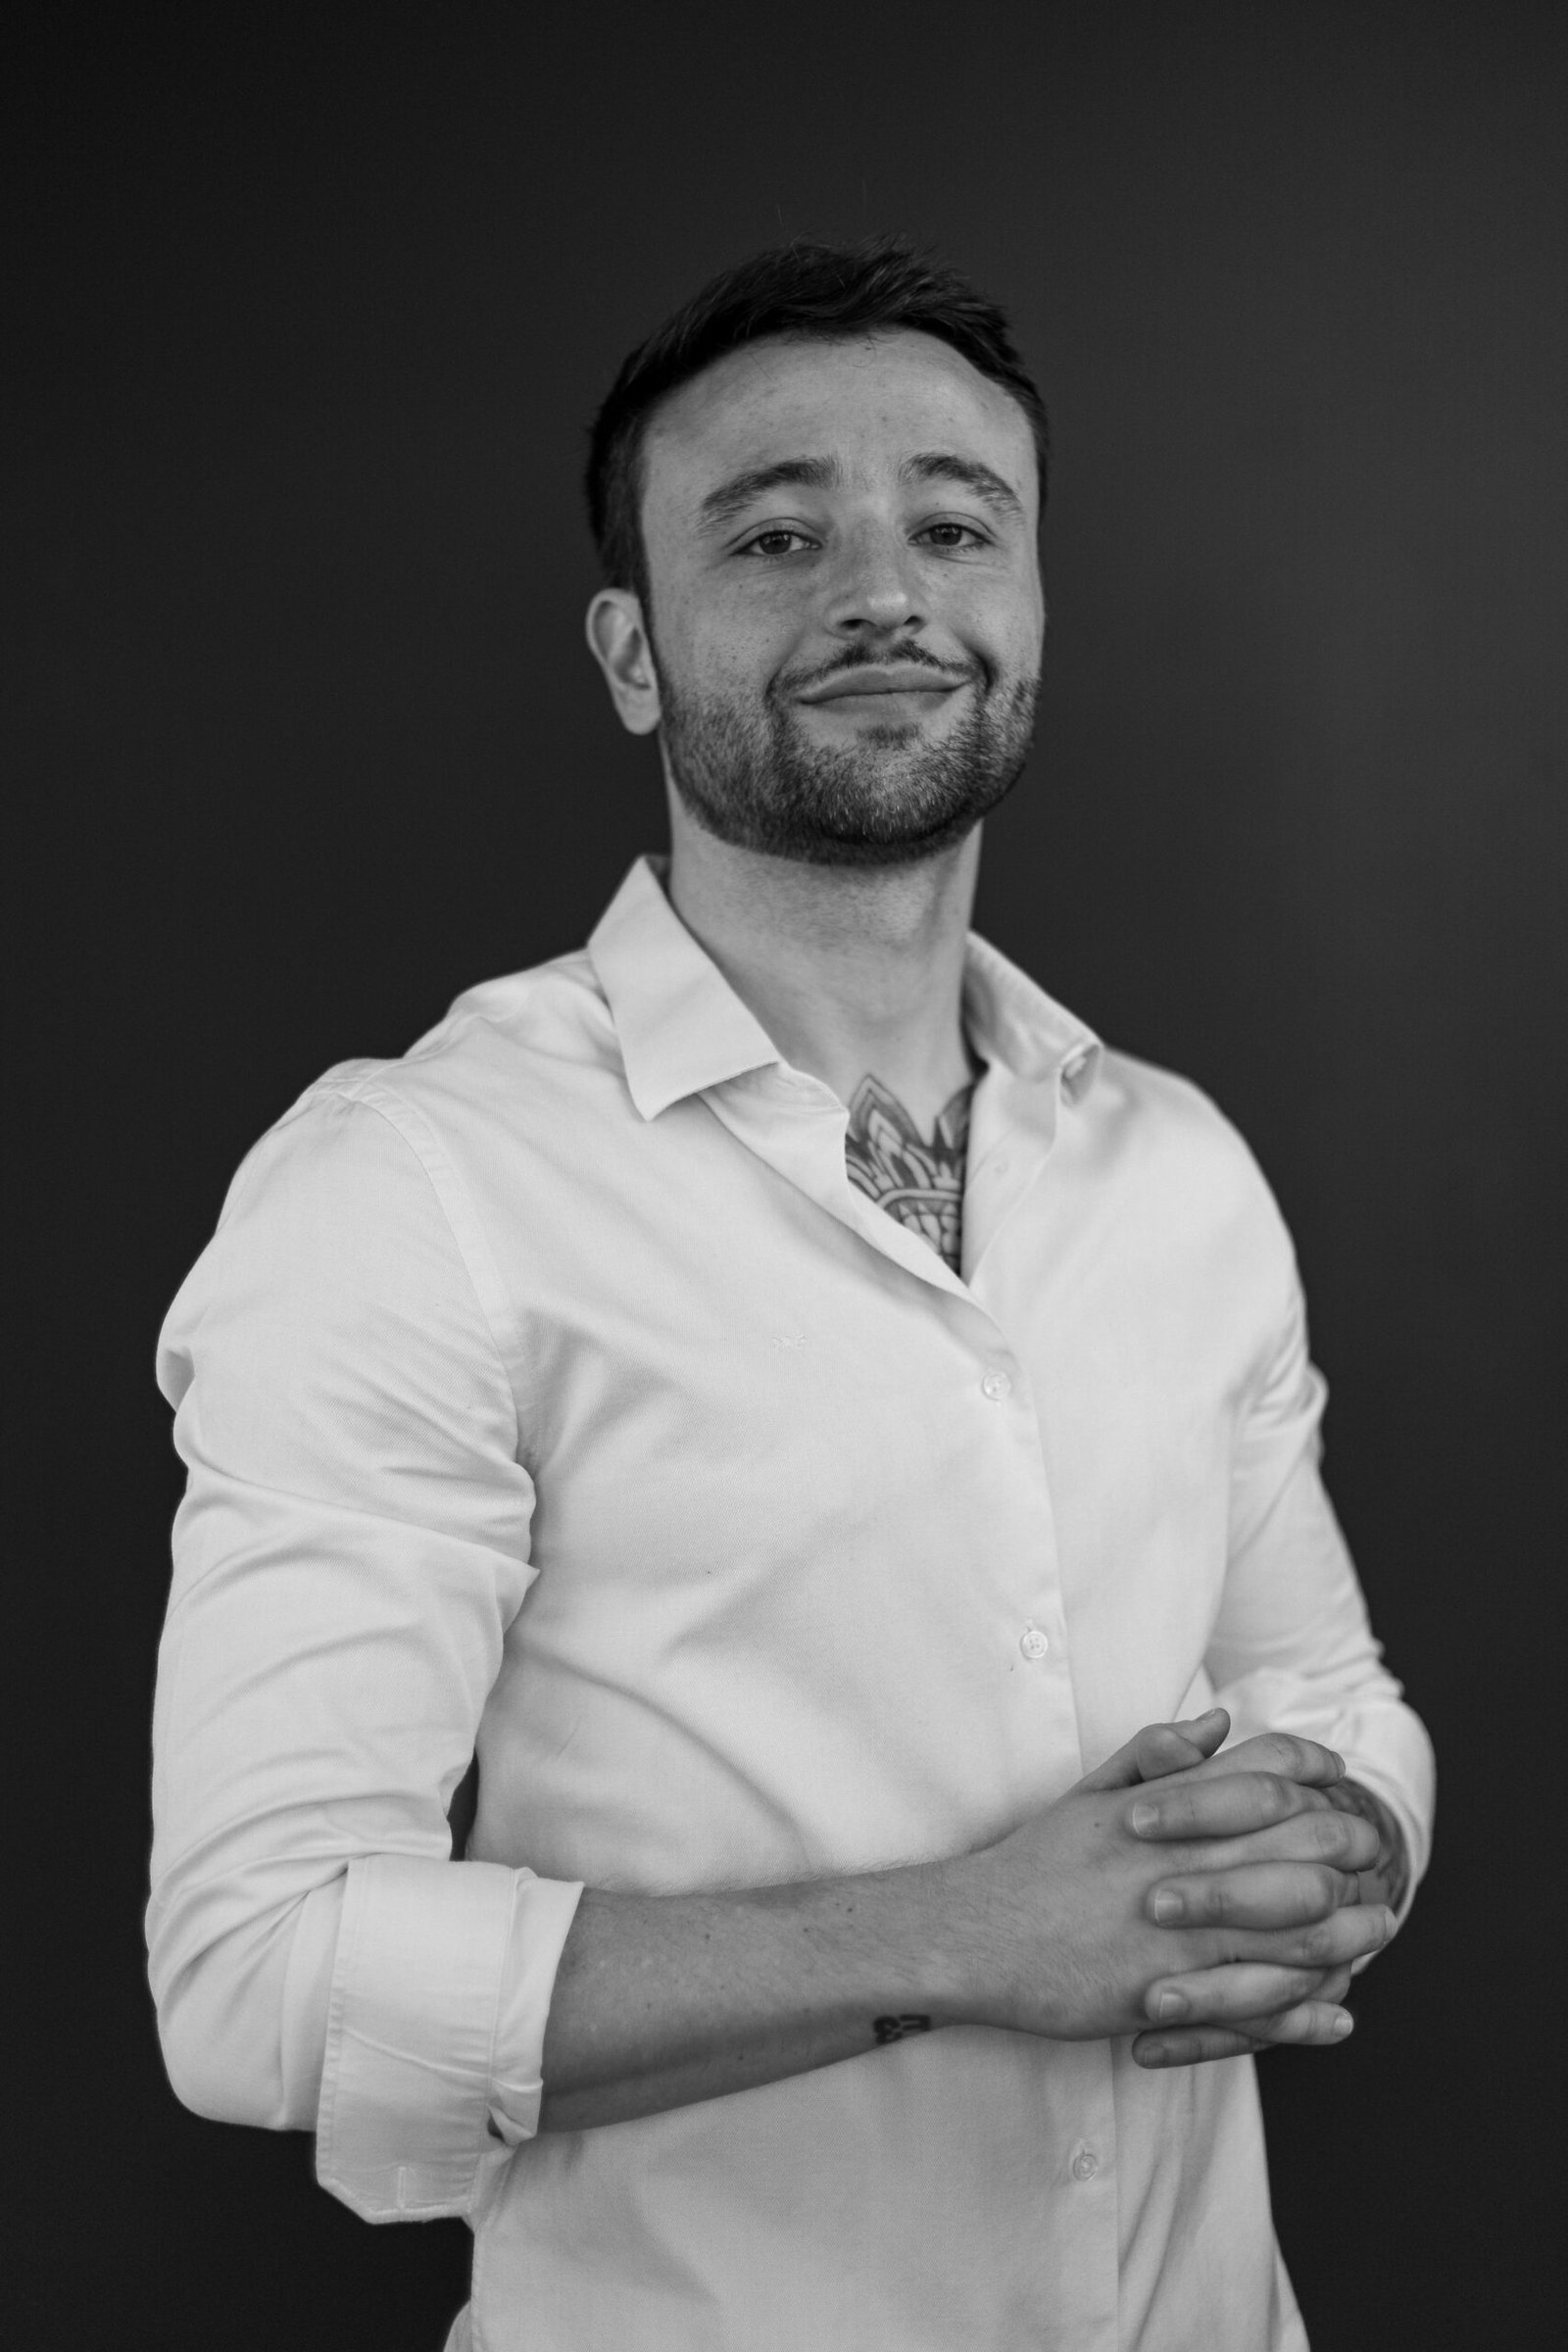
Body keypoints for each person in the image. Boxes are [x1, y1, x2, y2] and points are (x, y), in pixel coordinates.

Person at [149, 240, 1435, 2351]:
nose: (884, 593)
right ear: (631, 653)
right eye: (772, 536)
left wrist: (1339, 1850)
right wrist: (962, 1937)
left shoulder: (1180, 1167)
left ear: (1030, 608)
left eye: (956, 526)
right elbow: (260, 1973)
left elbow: (1325, 1688)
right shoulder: (414, 1184)